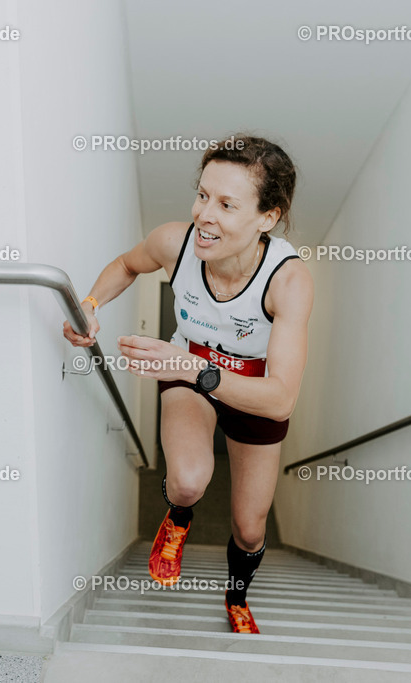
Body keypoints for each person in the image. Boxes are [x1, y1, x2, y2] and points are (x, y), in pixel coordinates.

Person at [62, 135, 313, 634]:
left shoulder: (288, 280)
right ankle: (178, 516)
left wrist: (194, 368)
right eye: (202, 196)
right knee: (188, 481)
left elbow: (282, 396)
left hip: (252, 389)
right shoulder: (174, 243)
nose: (204, 215)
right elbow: (129, 265)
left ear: (268, 217)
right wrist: (90, 304)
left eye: (226, 205)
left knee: (248, 527)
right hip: (187, 365)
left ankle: (237, 596)